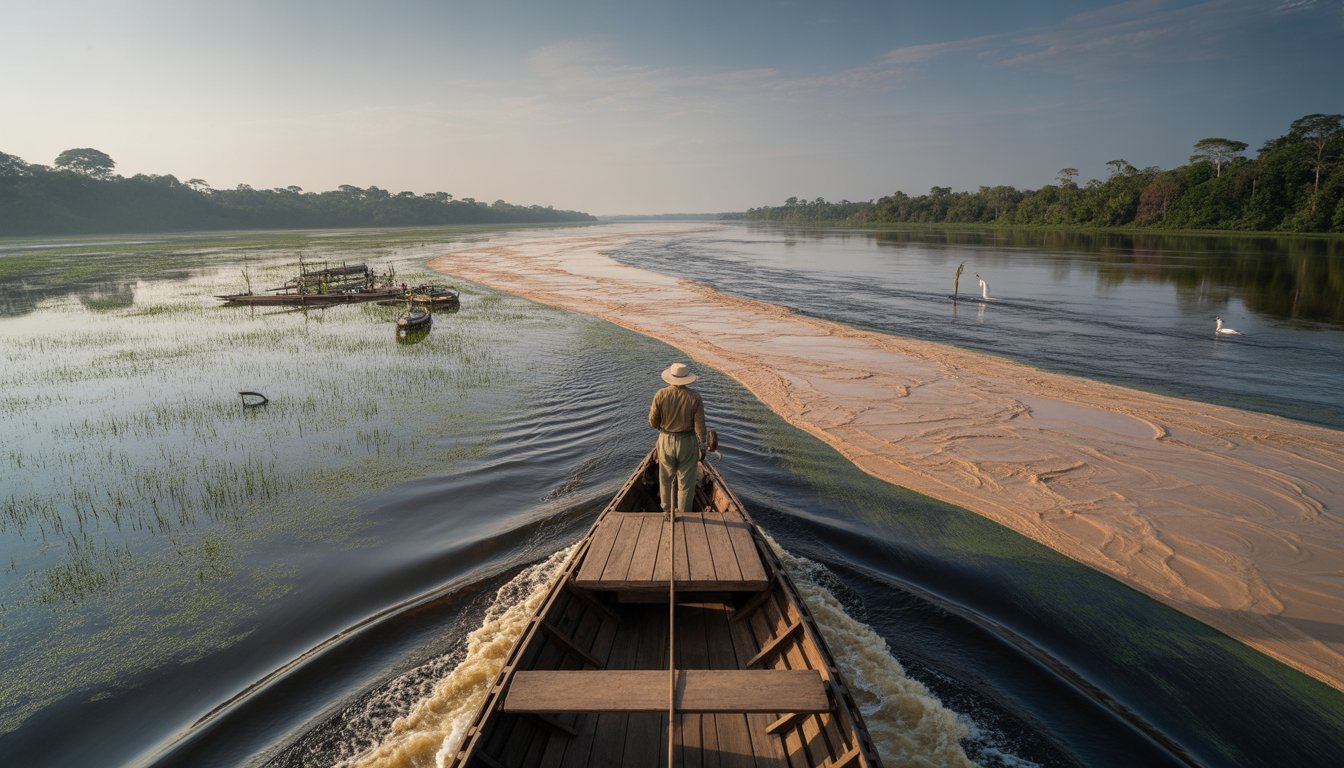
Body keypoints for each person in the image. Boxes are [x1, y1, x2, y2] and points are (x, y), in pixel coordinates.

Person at [648, 362, 708, 516]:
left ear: (670, 377)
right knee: (686, 482)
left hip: (666, 441)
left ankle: (667, 511)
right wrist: (704, 444)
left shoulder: (660, 394)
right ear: (687, 379)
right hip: (687, 442)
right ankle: (684, 513)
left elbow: (653, 422)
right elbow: (700, 428)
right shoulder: (695, 397)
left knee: (665, 478)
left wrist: (664, 429)